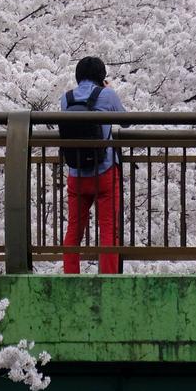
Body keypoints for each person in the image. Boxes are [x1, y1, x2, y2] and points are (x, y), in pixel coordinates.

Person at [59, 56, 126, 274]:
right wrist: (110, 90)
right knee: (108, 228)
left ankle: (70, 277)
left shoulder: (66, 99)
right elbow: (126, 120)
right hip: (104, 170)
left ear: (77, 76)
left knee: (74, 228)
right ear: (102, 76)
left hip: (76, 172)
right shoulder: (107, 94)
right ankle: (108, 278)